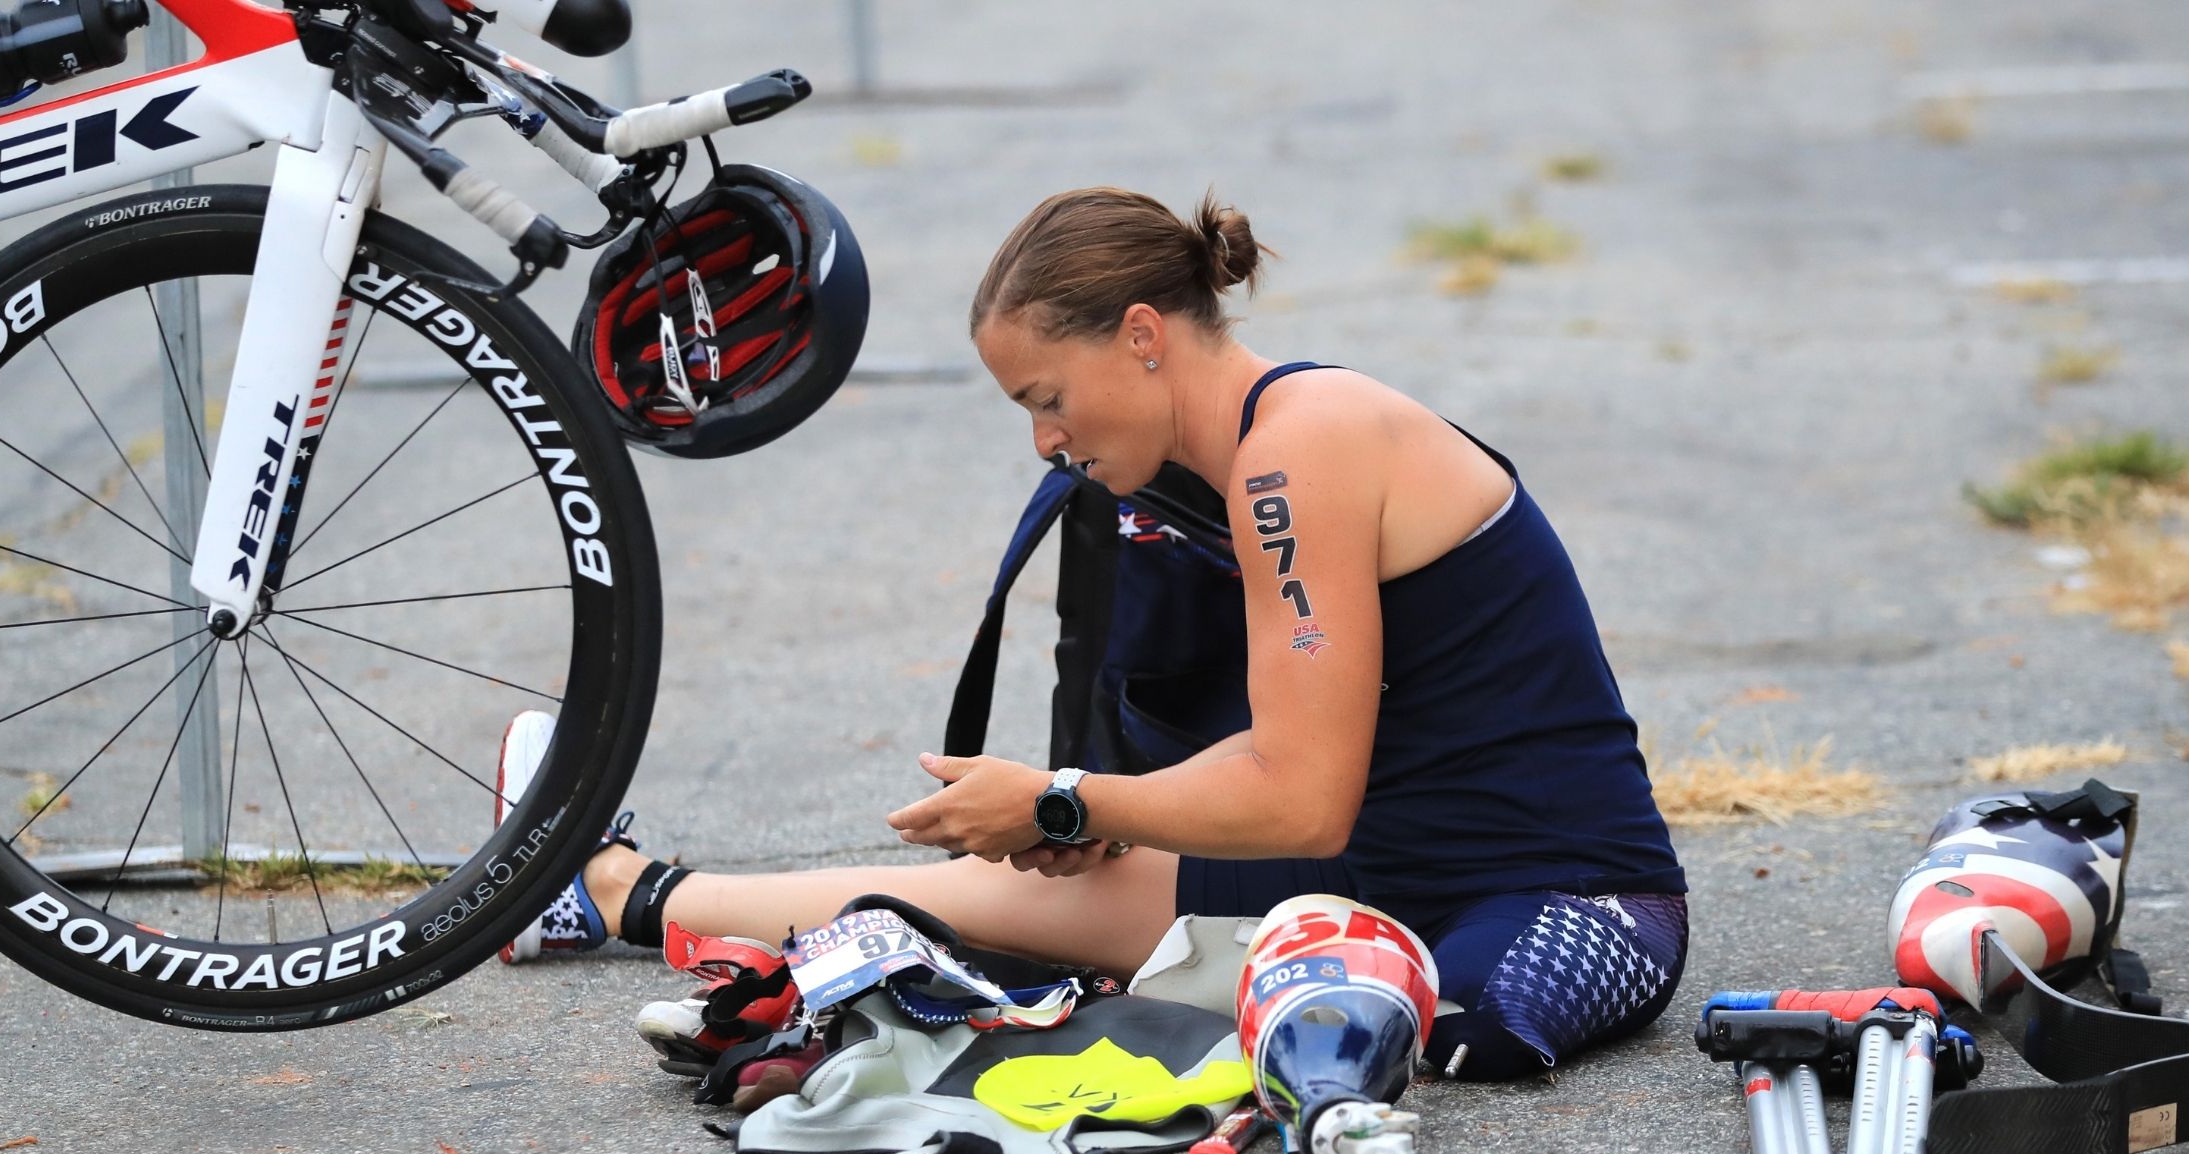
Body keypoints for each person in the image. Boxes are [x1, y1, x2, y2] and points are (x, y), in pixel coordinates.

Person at [494, 187, 1689, 1082]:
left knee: (1450, 1032)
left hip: (1562, 893)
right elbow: (1295, 762)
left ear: (1140, 335)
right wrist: (1068, 814)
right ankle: (611, 893)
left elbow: (1303, 796)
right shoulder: (1253, 454)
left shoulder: (1301, 445)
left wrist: (1070, 801)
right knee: (982, 906)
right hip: (1369, 868)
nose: (1044, 443)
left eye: (1047, 400)